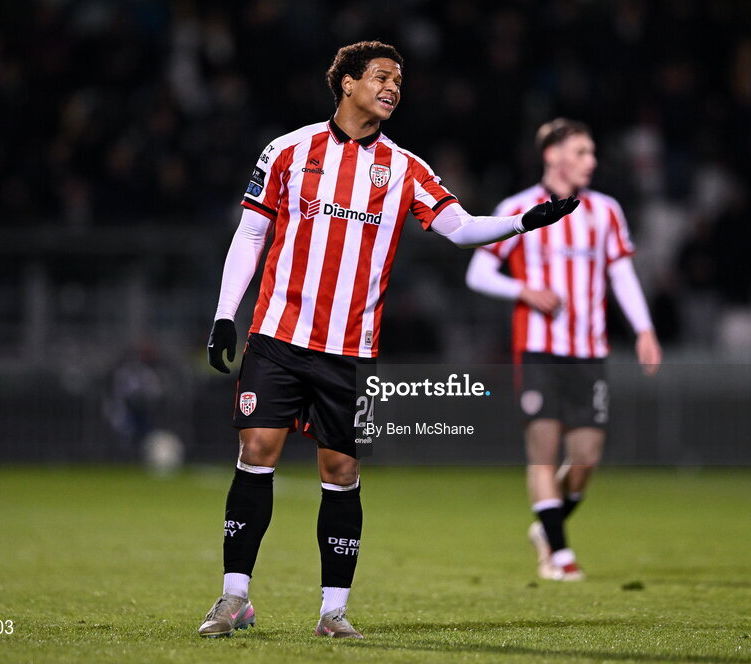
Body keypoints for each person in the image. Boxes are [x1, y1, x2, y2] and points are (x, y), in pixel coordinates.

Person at [198, 42, 579, 639]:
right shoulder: (289, 151)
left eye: (399, 81)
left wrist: (523, 222)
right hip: (278, 334)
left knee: (342, 467)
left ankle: (332, 611)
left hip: (352, 349)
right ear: (346, 83)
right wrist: (226, 315)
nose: (393, 88)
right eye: (381, 77)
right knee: (257, 451)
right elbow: (249, 235)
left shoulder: (406, 167)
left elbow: (460, 229)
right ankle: (234, 598)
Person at [466, 118, 661, 581]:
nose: (591, 161)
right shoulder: (518, 208)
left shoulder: (606, 211)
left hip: (588, 352)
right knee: (542, 452)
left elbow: (621, 274)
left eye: (592, 153)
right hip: (538, 351)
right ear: (552, 155)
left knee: (586, 458)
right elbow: (478, 273)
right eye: (581, 151)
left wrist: (644, 329)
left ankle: (546, 528)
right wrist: (524, 291)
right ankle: (559, 554)